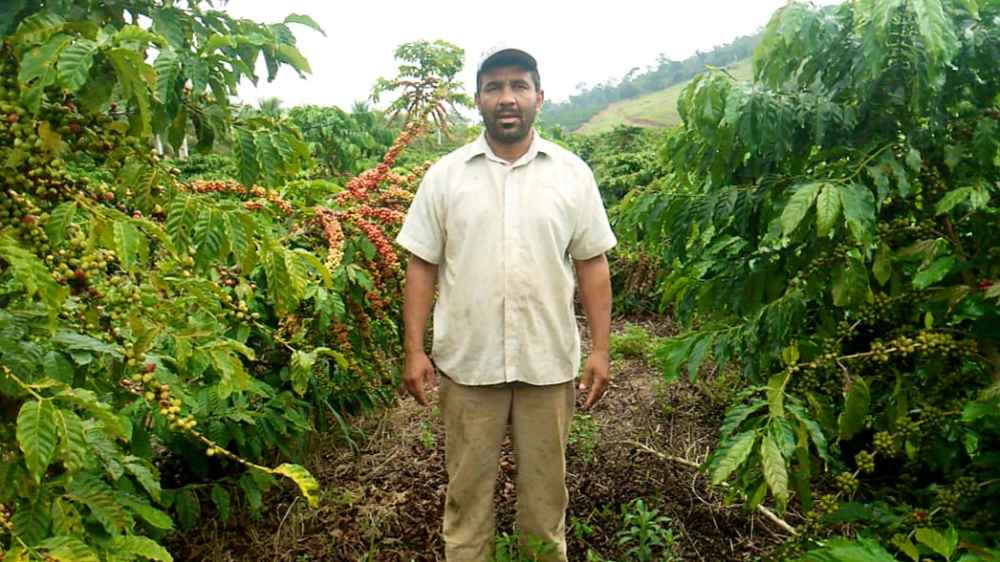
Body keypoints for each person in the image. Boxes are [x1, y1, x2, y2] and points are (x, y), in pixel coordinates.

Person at [395, 45, 616, 562]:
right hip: (468, 367)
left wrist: (601, 350)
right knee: (466, 503)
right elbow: (421, 265)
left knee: (544, 509)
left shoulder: (571, 174)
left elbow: (592, 264)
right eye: (494, 87)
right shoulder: (445, 176)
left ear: (540, 96)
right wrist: (414, 350)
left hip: (547, 365)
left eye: (518, 85)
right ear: (478, 100)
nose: (507, 98)